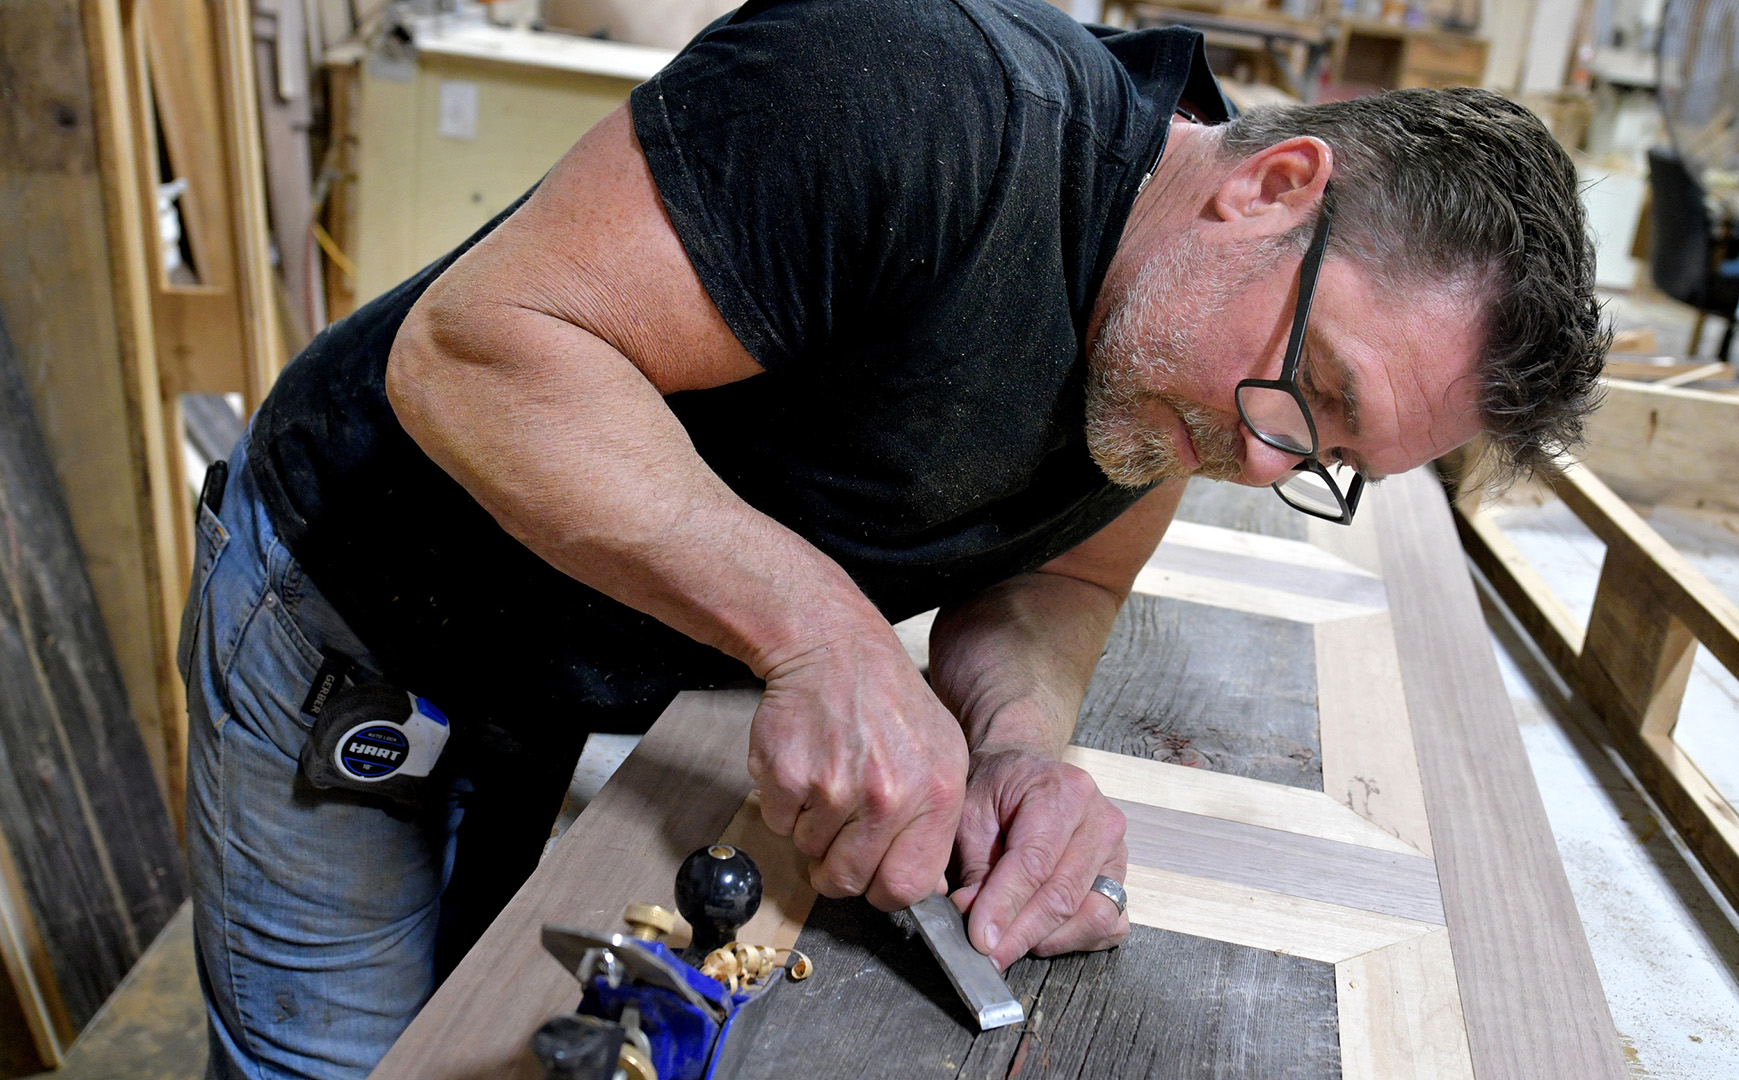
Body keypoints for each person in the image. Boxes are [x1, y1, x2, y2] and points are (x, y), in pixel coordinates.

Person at [178, 0, 1608, 1075]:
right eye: (1319, 393)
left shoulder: (1190, 367)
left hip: (564, 659)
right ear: (1271, 188)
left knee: (484, 1022)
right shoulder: (908, 108)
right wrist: (821, 631)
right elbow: (477, 356)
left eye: (1335, 459)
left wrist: (1019, 750)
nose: (1269, 455)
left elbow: (1062, 576)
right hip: (357, 613)